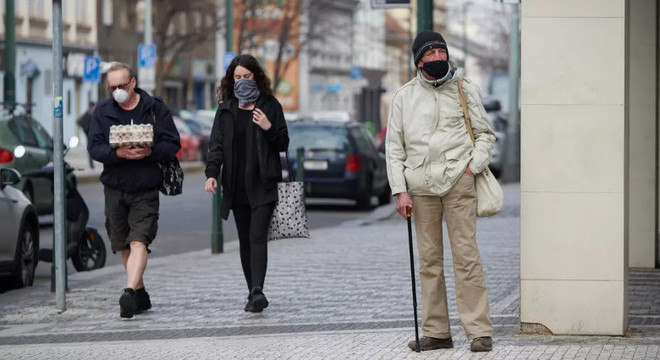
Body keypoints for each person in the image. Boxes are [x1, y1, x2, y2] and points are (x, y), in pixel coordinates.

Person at [385, 31, 496, 352]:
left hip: (458, 183)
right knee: (429, 262)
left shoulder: (466, 90)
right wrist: (399, 191)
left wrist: (471, 168)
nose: (436, 59)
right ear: (418, 61)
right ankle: (437, 331)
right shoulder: (403, 97)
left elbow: (485, 135)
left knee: (466, 257)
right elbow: (394, 149)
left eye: (440, 52)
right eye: (429, 54)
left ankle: (479, 331)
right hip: (420, 189)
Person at [88, 62, 181, 319]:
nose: (117, 90)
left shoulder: (154, 108)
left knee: (139, 239)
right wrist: (116, 153)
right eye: (112, 87)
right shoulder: (103, 111)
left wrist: (151, 152)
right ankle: (139, 294)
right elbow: (94, 148)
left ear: (133, 83)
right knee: (123, 243)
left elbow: (173, 142)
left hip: (145, 185)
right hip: (115, 186)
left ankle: (128, 291)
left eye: (121, 85)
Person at [204, 54, 289, 313]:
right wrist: (211, 173)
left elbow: (283, 144)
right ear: (231, 80)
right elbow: (216, 146)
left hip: (263, 183)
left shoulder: (270, 105)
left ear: (256, 77)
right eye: (237, 77)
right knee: (244, 240)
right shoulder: (226, 110)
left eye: (247, 77)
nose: (242, 81)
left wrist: (267, 126)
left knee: (257, 237)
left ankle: (257, 290)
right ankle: (252, 291)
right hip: (236, 185)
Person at [77, 101, 96, 168]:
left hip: (91, 135)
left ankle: (92, 164)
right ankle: (91, 164)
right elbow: (78, 121)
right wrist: (86, 130)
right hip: (90, 135)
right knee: (91, 149)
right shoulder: (89, 114)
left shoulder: (88, 113)